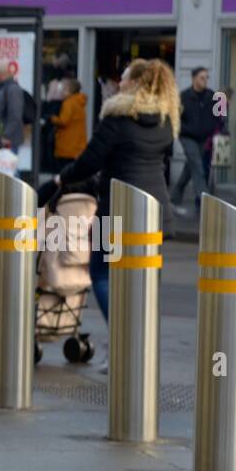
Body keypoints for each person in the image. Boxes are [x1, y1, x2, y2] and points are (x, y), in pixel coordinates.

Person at [55, 58, 178, 330]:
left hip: (114, 211)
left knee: (100, 272)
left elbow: (89, 161)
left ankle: (123, 338)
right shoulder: (165, 120)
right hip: (154, 212)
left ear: (134, 83)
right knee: (145, 277)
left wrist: (63, 176)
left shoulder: (117, 118)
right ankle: (139, 342)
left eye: (123, 77)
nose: (119, 82)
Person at [172, 66, 221, 215]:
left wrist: (215, 129)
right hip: (187, 137)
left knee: (190, 168)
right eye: (202, 77)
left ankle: (173, 199)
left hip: (204, 139)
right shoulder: (183, 97)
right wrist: (183, 130)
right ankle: (207, 204)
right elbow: (175, 118)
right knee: (198, 168)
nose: (205, 80)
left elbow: (220, 116)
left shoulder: (213, 96)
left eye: (207, 77)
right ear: (194, 78)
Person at [48, 77, 88, 170]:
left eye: (63, 89)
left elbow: (63, 121)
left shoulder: (69, 103)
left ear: (69, 91)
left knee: (64, 172)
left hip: (67, 147)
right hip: (77, 146)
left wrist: (52, 118)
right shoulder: (79, 102)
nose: (61, 92)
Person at [0, 61, 26, 152]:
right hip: (2, 140)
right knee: (4, 165)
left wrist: (6, 136)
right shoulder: (4, 88)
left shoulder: (12, 89)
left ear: (0, 73)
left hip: (8, 140)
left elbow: (15, 115)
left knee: (8, 165)